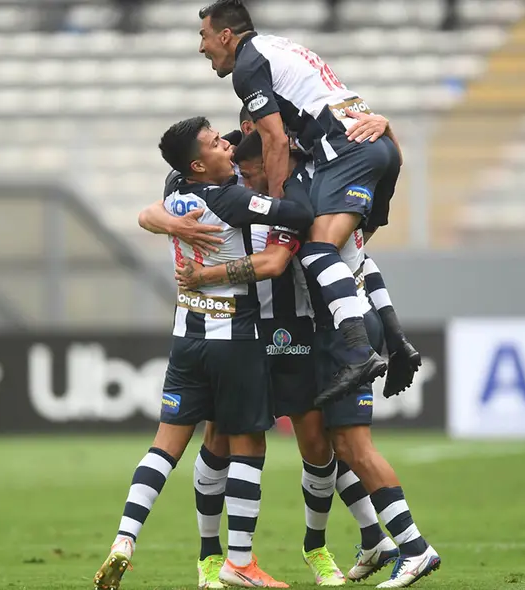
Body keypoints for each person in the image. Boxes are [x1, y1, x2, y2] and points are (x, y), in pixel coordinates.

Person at [171, 129, 441, 589]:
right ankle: (212, 558)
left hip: (304, 333)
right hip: (242, 332)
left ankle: (331, 546)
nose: (244, 174)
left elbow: (328, 263)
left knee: (325, 444)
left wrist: (204, 274)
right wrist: (161, 219)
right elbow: (172, 189)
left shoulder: (307, 200)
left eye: (250, 168)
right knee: (222, 437)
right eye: (236, 162)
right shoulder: (231, 186)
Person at [94, 116, 312, 590]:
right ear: (198, 163)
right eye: (215, 143)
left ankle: (124, 539)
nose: (225, 146)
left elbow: (147, 213)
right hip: (235, 337)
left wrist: (171, 222)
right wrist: (285, 194)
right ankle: (240, 562)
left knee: (165, 444)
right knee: (248, 444)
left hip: (187, 336)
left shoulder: (176, 188)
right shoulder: (231, 198)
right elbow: (296, 217)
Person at [198, 0, 411, 407]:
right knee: (348, 250)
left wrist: (276, 207)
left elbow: (275, 139)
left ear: (225, 34)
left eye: (204, 36)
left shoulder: (248, 67)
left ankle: (359, 352)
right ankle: (396, 340)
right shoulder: (282, 48)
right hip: (378, 146)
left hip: (346, 152)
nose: (202, 47)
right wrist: (387, 130)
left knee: (317, 249)